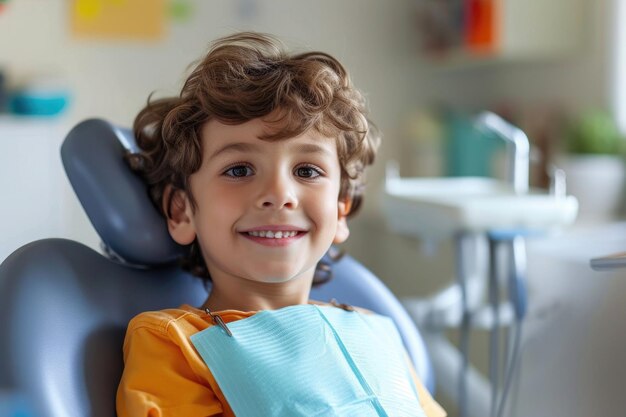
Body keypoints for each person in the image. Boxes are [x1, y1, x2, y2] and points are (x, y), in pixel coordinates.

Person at [116, 31, 446, 417]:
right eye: (239, 169)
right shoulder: (175, 344)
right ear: (182, 211)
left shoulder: (374, 332)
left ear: (341, 209)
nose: (278, 193)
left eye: (307, 170)